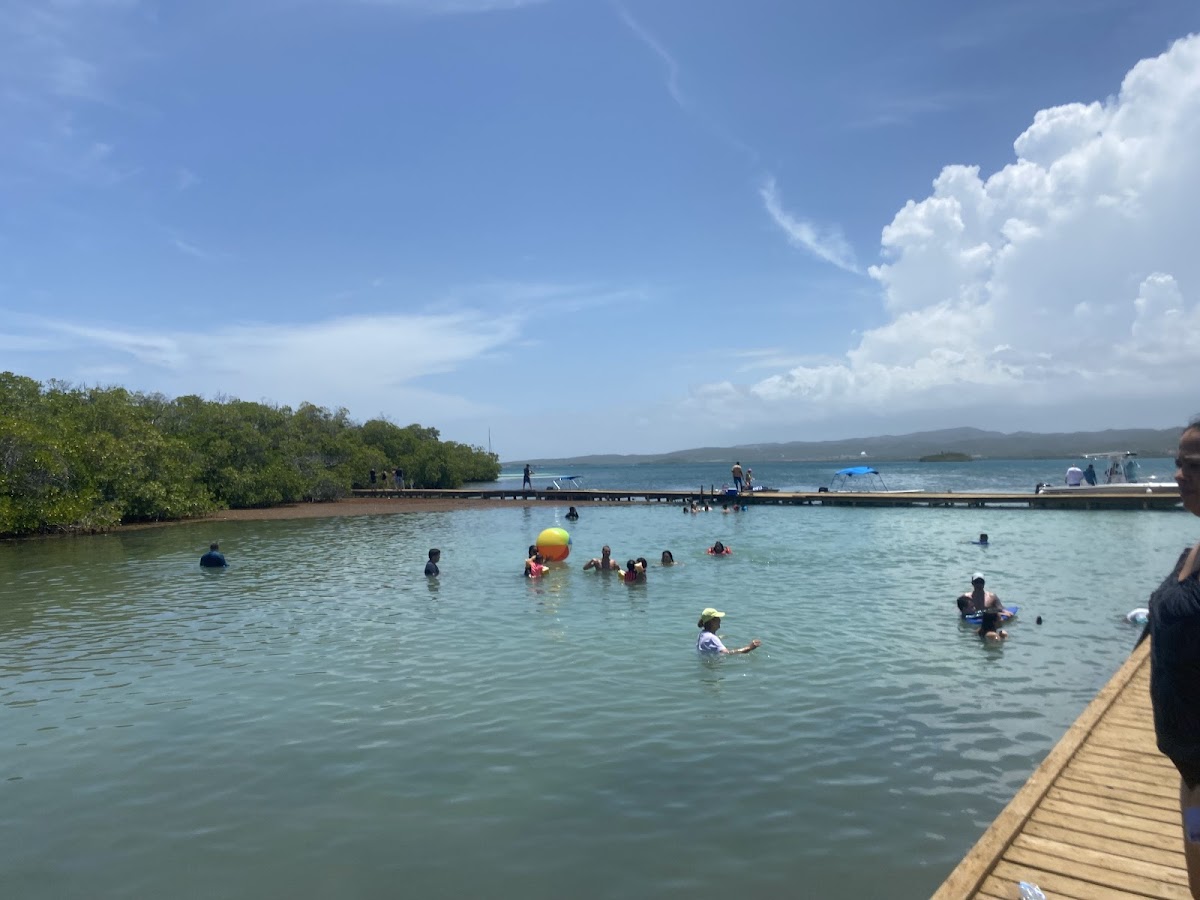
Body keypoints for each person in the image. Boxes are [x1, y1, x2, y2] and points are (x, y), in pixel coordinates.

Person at [1147, 418, 1200, 897]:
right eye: (1179, 463)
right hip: (1190, 771)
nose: (1180, 475)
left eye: (1196, 466)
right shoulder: (1194, 549)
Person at [695, 608, 761, 654]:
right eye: (718, 618)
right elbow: (727, 653)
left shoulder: (702, 634)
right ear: (712, 622)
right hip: (714, 666)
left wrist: (718, 637)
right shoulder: (712, 638)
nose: (720, 620)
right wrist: (749, 647)